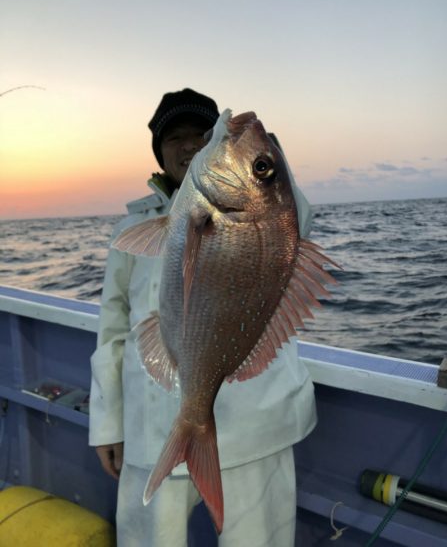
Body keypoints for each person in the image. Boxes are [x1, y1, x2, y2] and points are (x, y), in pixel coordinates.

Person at [89, 88, 317, 547]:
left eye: (202, 134)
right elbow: (113, 327)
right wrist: (107, 423)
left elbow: (295, 219)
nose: (189, 144)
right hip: (150, 430)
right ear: (158, 150)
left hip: (255, 429)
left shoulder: (273, 211)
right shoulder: (129, 228)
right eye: (175, 137)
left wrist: (265, 152)